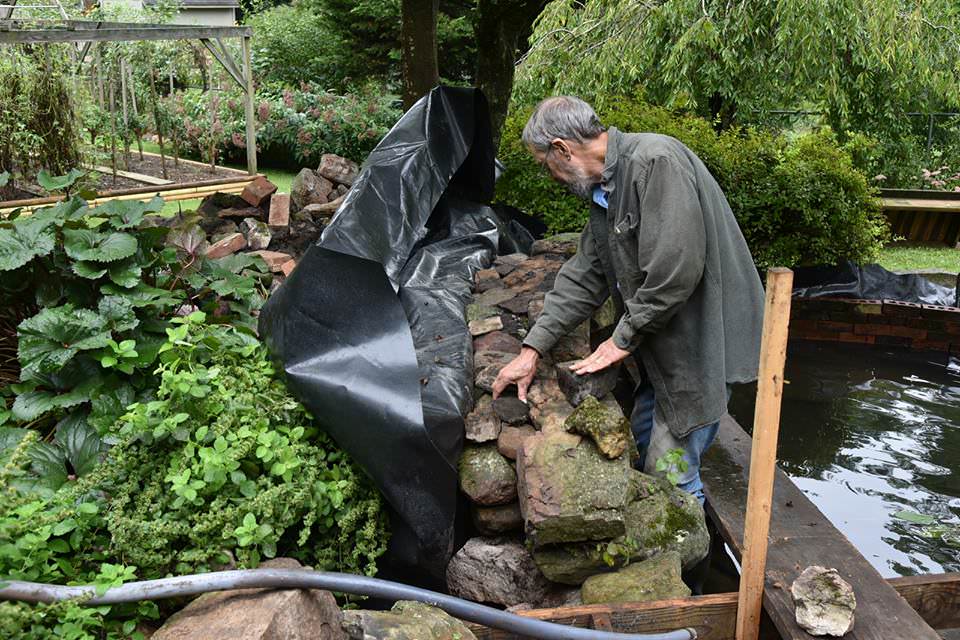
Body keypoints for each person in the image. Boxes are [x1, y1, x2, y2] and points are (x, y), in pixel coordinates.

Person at [491, 96, 765, 504]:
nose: (548, 174)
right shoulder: (606, 191)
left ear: (563, 148)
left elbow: (675, 273)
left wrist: (620, 340)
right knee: (640, 446)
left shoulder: (656, 162)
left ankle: (684, 563)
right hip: (662, 347)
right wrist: (532, 349)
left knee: (671, 475)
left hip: (702, 344)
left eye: (543, 161)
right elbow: (585, 275)